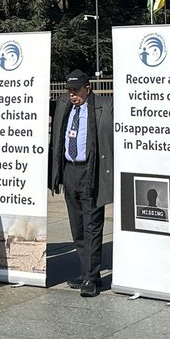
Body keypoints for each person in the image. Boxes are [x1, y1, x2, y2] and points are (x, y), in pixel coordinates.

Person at [48, 69, 114, 297]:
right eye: (69, 90)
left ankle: (91, 278)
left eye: (76, 90)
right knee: (77, 227)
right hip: (69, 171)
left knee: (92, 226)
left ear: (88, 87)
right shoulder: (65, 105)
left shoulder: (104, 106)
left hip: (91, 170)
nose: (72, 95)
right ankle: (87, 273)